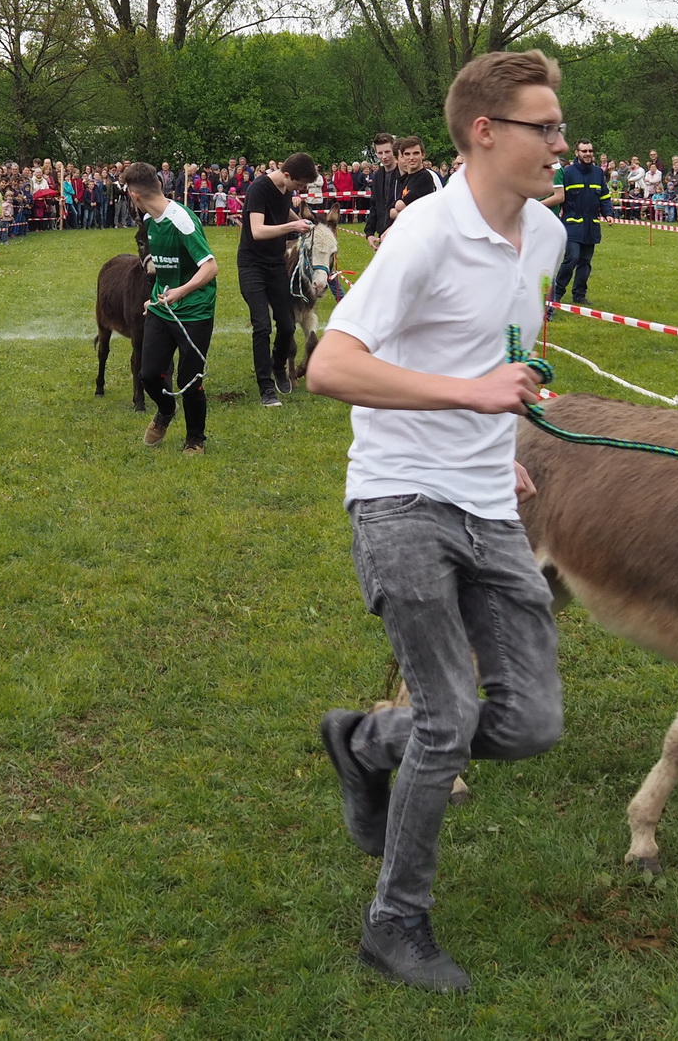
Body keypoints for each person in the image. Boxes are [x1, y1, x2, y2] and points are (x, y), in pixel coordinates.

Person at [307, 49, 567, 993]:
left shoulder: (546, 239)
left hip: (490, 499)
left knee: (532, 721)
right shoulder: (422, 231)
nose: (561, 142)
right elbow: (330, 367)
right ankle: (395, 922)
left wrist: (498, 443)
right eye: (544, 126)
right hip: (399, 494)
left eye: (560, 124)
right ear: (484, 132)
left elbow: (500, 355)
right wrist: (469, 396)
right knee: (451, 713)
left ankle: (363, 741)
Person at [127, 162, 217, 454]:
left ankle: (195, 440)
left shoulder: (181, 219)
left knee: (190, 379)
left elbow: (211, 267)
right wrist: (154, 297)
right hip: (162, 309)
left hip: (195, 311)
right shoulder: (151, 223)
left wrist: (181, 291)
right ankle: (166, 410)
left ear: (134, 196)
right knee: (149, 373)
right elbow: (167, 270)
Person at [238, 152, 318, 407]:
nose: (301, 189)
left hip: (275, 265)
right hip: (252, 266)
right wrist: (292, 228)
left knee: (286, 324)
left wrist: (305, 223)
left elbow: (284, 214)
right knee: (262, 326)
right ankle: (266, 387)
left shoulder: (285, 189)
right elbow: (258, 230)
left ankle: (279, 366)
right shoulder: (259, 190)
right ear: (286, 175)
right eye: (299, 184)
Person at [544, 138, 612, 304]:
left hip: (591, 225)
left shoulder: (598, 173)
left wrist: (608, 213)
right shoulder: (568, 173)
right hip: (572, 224)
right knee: (571, 258)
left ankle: (579, 294)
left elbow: (604, 195)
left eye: (590, 151)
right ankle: (557, 293)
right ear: (577, 153)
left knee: (585, 262)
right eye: (584, 151)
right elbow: (557, 195)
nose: (588, 154)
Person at [390, 137, 439, 221]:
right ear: (403, 156)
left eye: (415, 153)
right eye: (407, 154)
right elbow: (391, 211)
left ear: (423, 155)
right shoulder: (407, 178)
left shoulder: (424, 177)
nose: (411, 158)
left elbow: (399, 206)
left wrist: (399, 211)